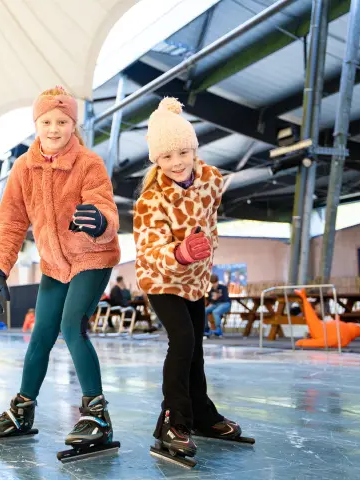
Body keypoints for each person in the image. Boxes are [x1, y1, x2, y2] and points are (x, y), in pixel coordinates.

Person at [0, 86, 121, 455]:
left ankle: (97, 415)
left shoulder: (89, 163)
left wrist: (98, 221)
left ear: (73, 124)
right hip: (55, 265)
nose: (54, 128)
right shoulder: (24, 168)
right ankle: (23, 412)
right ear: (36, 124)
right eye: (46, 121)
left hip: (92, 256)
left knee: (71, 325)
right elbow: (10, 223)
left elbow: (105, 209)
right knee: (41, 334)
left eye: (62, 121)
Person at [133, 97, 246, 464]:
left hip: (195, 278)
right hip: (161, 277)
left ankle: (202, 415)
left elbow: (210, 217)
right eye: (166, 157)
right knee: (182, 340)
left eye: (183, 151)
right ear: (156, 160)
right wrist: (180, 253)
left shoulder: (212, 179)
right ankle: (173, 421)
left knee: (196, 346)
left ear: (194, 148)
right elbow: (149, 249)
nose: (177, 162)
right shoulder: (151, 199)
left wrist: (207, 247)